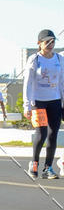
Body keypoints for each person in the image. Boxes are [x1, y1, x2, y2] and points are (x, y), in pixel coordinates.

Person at [23, 30, 62, 179]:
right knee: (42, 134)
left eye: (53, 41)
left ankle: (48, 168)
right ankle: (34, 163)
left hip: (55, 101)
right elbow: (27, 83)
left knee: (53, 135)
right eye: (47, 42)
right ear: (39, 43)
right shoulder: (34, 59)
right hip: (38, 101)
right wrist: (27, 105)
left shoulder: (59, 59)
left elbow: (62, 82)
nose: (51, 44)